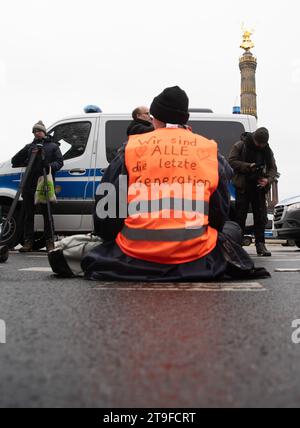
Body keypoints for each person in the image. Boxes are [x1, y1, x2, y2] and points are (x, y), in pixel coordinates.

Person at [80, 86, 269, 282]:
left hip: (132, 254)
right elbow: (218, 215)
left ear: (156, 118)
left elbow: (106, 214)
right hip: (196, 256)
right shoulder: (208, 150)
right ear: (184, 119)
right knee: (234, 228)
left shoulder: (132, 148)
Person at [12, 121, 64, 252]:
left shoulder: (53, 146)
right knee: (28, 215)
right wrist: (27, 149)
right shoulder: (30, 147)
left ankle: (50, 242)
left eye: (39, 130)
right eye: (35, 131)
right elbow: (15, 161)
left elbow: (59, 162)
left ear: (44, 132)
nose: (37, 133)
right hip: (29, 184)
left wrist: (49, 166)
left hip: (45, 184)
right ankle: (28, 242)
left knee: (47, 214)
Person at [229, 127, 278, 257]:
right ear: (254, 139)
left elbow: (273, 169)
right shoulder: (240, 145)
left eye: (263, 144)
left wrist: (268, 180)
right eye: (259, 143)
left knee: (260, 217)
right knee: (240, 216)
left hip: (259, 187)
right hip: (243, 186)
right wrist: (248, 166)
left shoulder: (267, 150)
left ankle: (260, 245)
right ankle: (237, 245)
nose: (260, 146)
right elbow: (231, 162)